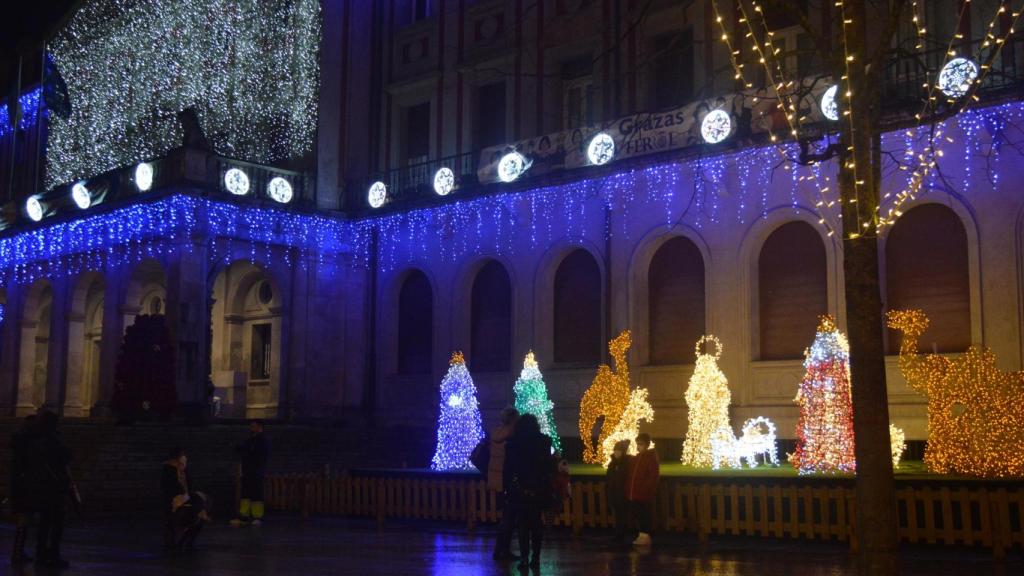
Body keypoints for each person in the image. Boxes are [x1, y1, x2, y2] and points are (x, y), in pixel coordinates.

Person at [504, 414, 553, 570]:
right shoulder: (544, 441)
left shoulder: (513, 444)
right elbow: (547, 465)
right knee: (537, 522)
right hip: (538, 486)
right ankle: (536, 557)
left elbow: (509, 467)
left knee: (523, 524)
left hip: (520, 487)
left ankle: (524, 557)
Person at [25, 411, 71, 568]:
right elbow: (65, 457)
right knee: (56, 525)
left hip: (42, 487)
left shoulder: (36, 440)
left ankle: (41, 553)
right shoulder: (53, 440)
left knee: (45, 524)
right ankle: (53, 554)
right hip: (53, 487)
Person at [161, 447, 210, 551]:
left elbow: (189, 487)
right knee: (198, 504)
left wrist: (189, 496)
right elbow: (172, 490)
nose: (185, 458)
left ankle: (187, 540)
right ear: (177, 459)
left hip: (186, 500)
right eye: (182, 456)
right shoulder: (168, 471)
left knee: (201, 498)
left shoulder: (184, 471)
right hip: (175, 503)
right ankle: (200, 513)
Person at [489, 406, 519, 561]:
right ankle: (501, 551)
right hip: (507, 481)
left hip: (497, 480)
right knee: (509, 517)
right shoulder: (511, 437)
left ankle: (499, 550)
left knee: (505, 517)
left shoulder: (496, 433)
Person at [9, 415, 36, 565]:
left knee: (24, 519)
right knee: (24, 519)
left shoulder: (19, 444)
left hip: (20, 485)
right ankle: (18, 551)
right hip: (24, 486)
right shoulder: (26, 446)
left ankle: (18, 551)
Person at [232, 420, 269, 526]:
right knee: (246, 493)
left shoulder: (262, 440)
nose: (251, 428)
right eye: (251, 426)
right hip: (248, 471)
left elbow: (259, 456)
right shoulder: (250, 439)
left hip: (256, 471)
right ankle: (244, 516)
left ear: (259, 427)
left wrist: (244, 451)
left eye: (253, 426)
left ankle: (257, 517)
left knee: (256, 493)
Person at [626, 433, 660, 547]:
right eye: (637, 444)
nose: (638, 447)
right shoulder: (637, 458)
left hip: (642, 494)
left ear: (646, 445)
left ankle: (645, 535)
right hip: (635, 493)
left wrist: (645, 489)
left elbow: (653, 476)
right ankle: (642, 534)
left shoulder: (650, 458)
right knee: (638, 514)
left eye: (640, 444)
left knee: (644, 514)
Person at [606, 439, 633, 545]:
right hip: (614, 494)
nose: (616, 453)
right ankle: (618, 533)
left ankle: (621, 534)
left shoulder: (627, 463)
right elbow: (609, 477)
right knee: (618, 515)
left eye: (619, 451)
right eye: (615, 450)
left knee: (622, 514)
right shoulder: (612, 463)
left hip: (623, 494)